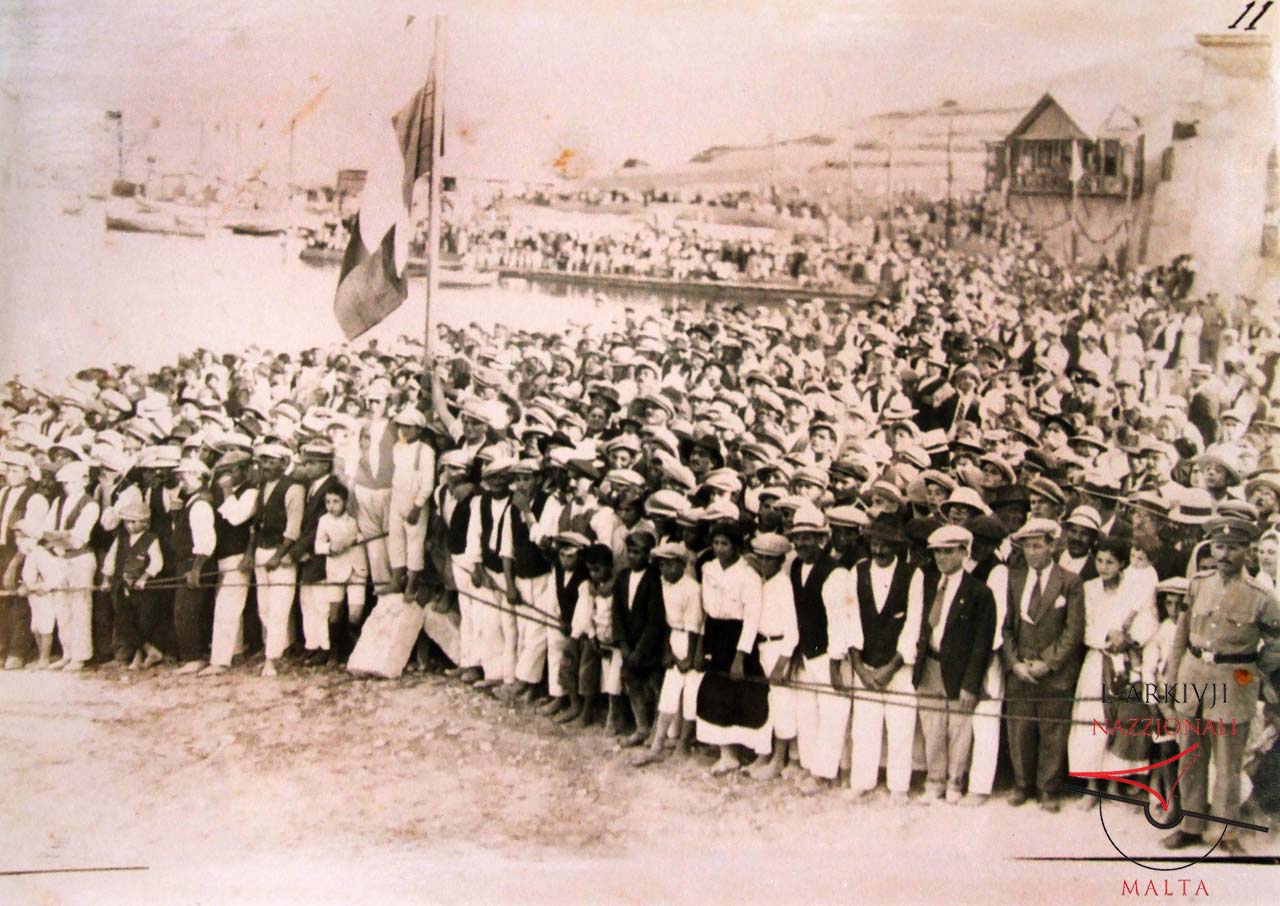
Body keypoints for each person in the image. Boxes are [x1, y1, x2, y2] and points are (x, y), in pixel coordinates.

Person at [1160, 518, 1280, 855]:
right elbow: (1181, 636)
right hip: (1193, 677)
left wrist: (1256, 673)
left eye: (1232, 548)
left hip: (1234, 680)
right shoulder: (1198, 584)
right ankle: (1190, 825)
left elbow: (1276, 643)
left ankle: (1225, 832)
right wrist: (1171, 681)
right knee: (1190, 756)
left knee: (1228, 763)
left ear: (1247, 551)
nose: (1224, 554)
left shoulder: (1262, 596)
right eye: (1219, 547)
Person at [1001, 517, 1085, 811]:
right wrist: (1015, 664)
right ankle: (1022, 784)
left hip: (1054, 671)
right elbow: (1007, 627)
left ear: (1052, 545)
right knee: (1020, 727)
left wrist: (1048, 663)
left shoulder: (1070, 581)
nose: (1032, 553)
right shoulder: (1014, 579)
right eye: (1027, 547)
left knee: (1053, 729)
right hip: (1021, 668)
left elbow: (1073, 631)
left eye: (1038, 546)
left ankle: (1048, 787)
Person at [910, 524, 997, 804]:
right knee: (932, 728)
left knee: (959, 730)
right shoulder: (927, 583)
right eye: (937, 553)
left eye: (948, 552)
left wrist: (971, 685)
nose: (941, 558)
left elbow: (981, 645)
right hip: (930, 665)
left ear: (963, 552)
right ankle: (934, 781)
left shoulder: (979, 593)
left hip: (959, 671)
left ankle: (955, 782)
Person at [1067, 535, 1159, 795]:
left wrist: (1128, 639)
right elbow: (1083, 628)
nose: (1103, 567)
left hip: (1127, 660)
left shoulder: (1135, 587)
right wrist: (1108, 638)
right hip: (1098, 659)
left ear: (1121, 563)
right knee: (1092, 720)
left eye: (1110, 562)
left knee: (1125, 720)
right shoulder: (1089, 589)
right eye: (1099, 561)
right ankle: (1092, 785)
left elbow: (1149, 619)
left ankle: (1116, 783)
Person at [848, 517, 920, 803]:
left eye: (885, 545)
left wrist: (891, 669)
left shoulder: (912, 574)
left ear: (897, 546)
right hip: (865, 664)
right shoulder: (858, 571)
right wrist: (860, 668)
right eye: (874, 544)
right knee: (864, 725)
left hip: (898, 666)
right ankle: (862, 780)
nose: (878, 551)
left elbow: (912, 625)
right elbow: (851, 619)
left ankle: (899, 785)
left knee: (901, 725)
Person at [694, 519, 771, 774]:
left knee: (745, 693)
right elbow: (706, 612)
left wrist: (740, 656)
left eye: (724, 544)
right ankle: (727, 754)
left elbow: (752, 618)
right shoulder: (708, 569)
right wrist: (702, 646)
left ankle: (752, 752)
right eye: (715, 543)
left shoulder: (748, 576)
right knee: (716, 693)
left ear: (737, 546)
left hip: (739, 636)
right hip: (716, 633)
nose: (718, 549)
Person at [786, 505, 852, 794]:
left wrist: (835, 664)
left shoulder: (835, 572)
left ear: (820, 539)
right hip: (807, 653)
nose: (801, 544)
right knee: (807, 712)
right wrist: (794, 651)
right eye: (797, 538)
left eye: (808, 538)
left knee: (832, 713)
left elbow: (839, 622)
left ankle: (825, 772)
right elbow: (797, 614)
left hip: (828, 655)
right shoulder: (796, 567)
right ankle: (811, 765)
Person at [633, 540, 702, 767]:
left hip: (691, 640)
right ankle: (658, 744)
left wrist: (689, 657)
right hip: (674, 637)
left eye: (671, 565)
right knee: (669, 694)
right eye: (662, 565)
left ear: (682, 565)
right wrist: (669, 651)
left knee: (690, 694)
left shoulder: (692, 588)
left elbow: (694, 625)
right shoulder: (662, 584)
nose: (666, 570)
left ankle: (683, 743)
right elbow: (664, 622)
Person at [744, 532, 799, 781]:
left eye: (769, 559)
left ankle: (779, 759)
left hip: (779, 649)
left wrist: (781, 664)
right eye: (761, 558)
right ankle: (763, 754)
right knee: (765, 704)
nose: (764, 563)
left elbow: (793, 633)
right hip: (763, 647)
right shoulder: (762, 582)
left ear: (779, 561)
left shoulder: (784, 585)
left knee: (782, 705)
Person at [612, 525, 667, 748]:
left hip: (648, 647)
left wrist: (640, 650)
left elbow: (655, 620)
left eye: (639, 553)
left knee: (654, 686)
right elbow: (617, 613)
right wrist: (624, 646)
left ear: (649, 554)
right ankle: (641, 726)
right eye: (631, 552)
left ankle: (655, 729)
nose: (634, 557)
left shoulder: (655, 579)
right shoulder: (623, 576)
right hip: (629, 645)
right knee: (631, 682)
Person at [204, 449, 258, 675]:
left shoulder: (251, 492)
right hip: (223, 555)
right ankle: (234, 651)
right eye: (224, 471)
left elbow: (236, 518)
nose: (228, 475)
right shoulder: (221, 492)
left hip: (238, 556)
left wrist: (226, 490)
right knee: (227, 605)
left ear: (245, 470)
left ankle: (219, 661)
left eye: (233, 470)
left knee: (227, 608)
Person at [45, 460, 101, 671]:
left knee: (80, 607)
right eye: (65, 483)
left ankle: (80, 655)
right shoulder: (58, 502)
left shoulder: (90, 504)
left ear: (84, 481)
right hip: (60, 558)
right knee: (61, 607)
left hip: (81, 559)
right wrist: (59, 538)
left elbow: (79, 538)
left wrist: (61, 537)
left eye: (71, 482)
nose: (67, 487)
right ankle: (67, 652)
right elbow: (47, 531)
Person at [254, 444, 304, 677]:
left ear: (284, 463)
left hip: (280, 555)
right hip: (261, 553)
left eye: (271, 461)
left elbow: (293, 530)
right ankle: (277, 651)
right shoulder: (262, 486)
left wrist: (278, 555)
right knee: (264, 607)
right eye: (263, 460)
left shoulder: (293, 489)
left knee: (279, 608)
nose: (265, 465)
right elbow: (256, 526)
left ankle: (271, 659)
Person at [99, 498, 164, 669]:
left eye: (133, 522)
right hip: (122, 587)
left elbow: (157, 562)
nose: (129, 526)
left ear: (144, 522)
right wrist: (106, 580)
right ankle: (150, 651)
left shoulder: (151, 539)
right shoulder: (121, 538)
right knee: (124, 622)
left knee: (141, 623)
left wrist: (144, 578)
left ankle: (138, 657)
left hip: (142, 589)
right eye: (127, 522)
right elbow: (110, 560)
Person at [0, 450, 48, 669]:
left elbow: (31, 536)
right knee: (3, 601)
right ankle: (3, 646)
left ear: (27, 473)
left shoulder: (35, 498)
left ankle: (18, 651)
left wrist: (14, 563)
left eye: (15, 470)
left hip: (21, 552)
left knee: (20, 601)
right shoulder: (2, 493)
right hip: (1, 550)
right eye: (8, 470)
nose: (10, 474)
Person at [170, 458, 217, 675]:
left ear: (199, 476)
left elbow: (205, 540)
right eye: (179, 478)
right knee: (185, 610)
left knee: (187, 611)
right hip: (187, 563)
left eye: (185, 477)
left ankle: (194, 657)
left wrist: (196, 569)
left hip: (194, 563)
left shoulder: (200, 504)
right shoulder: (192, 501)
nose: (182, 482)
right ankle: (192, 655)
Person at [314, 483, 368, 656]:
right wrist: (330, 547)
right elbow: (318, 545)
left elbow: (366, 534)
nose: (331, 506)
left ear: (345, 502)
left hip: (356, 570)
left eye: (336, 501)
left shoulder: (355, 518)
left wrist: (352, 539)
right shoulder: (324, 520)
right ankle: (334, 653)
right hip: (336, 570)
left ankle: (356, 654)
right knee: (334, 613)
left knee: (355, 615)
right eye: (328, 502)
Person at [386, 407, 435, 596]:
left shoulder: (426, 451)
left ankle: (411, 584)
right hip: (397, 498)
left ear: (418, 429)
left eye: (408, 427)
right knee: (396, 540)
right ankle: (396, 580)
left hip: (415, 502)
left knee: (415, 543)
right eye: (401, 426)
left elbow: (428, 484)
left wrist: (417, 506)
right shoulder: (398, 447)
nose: (403, 431)